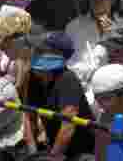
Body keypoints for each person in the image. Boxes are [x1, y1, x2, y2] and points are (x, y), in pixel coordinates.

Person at [25, 31, 97, 159]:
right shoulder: (33, 78)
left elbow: (68, 127)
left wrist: (52, 158)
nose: (34, 52)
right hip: (53, 149)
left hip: (81, 152)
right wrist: (32, 153)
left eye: (41, 50)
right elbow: (29, 117)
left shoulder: (67, 80)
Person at [64, 0, 123, 88]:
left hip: (115, 89)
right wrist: (90, 71)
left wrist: (111, 34)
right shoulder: (74, 27)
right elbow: (69, 66)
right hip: (83, 90)